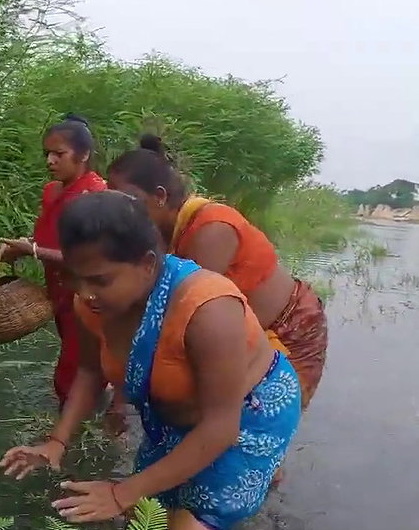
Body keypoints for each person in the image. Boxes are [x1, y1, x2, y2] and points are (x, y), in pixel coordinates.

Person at [0, 191, 302, 530]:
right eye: (75, 278)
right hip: (177, 411)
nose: (85, 293)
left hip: (248, 412)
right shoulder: (92, 304)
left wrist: (121, 492)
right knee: (147, 522)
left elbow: (220, 429)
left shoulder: (209, 309)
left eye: (100, 280)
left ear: (147, 264)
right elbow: (91, 372)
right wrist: (56, 443)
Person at [106, 135, 329, 414]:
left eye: (128, 199)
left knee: (263, 423)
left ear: (160, 197)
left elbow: (183, 315)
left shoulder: (212, 228)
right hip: (245, 332)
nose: (118, 210)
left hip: (291, 328)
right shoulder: (159, 232)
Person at [0, 114, 109, 409]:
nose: (50, 161)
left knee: (75, 373)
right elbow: (52, 240)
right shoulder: (52, 192)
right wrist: (25, 246)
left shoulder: (94, 195)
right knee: (78, 364)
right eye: (47, 154)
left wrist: (29, 251)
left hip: (87, 295)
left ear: (83, 155)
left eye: (59, 154)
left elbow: (89, 260)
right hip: (59, 289)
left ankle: (75, 436)